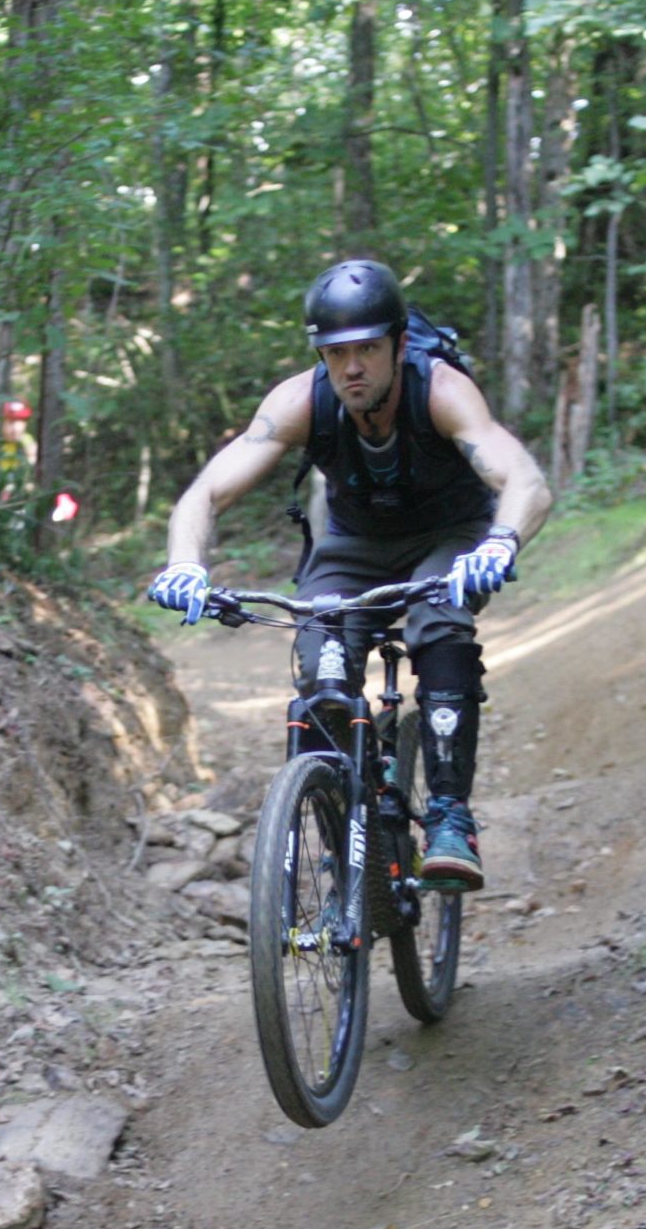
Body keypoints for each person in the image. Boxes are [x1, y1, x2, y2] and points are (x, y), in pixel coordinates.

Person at [147, 259, 551, 891]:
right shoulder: (301, 400)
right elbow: (205, 493)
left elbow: (523, 478)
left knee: (439, 620)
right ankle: (347, 818)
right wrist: (184, 564)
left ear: (396, 344)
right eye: (337, 354)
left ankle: (449, 817)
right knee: (320, 657)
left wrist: (500, 543)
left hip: (452, 537)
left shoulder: (439, 390)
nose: (352, 368)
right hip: (355, 545)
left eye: (367, 349)